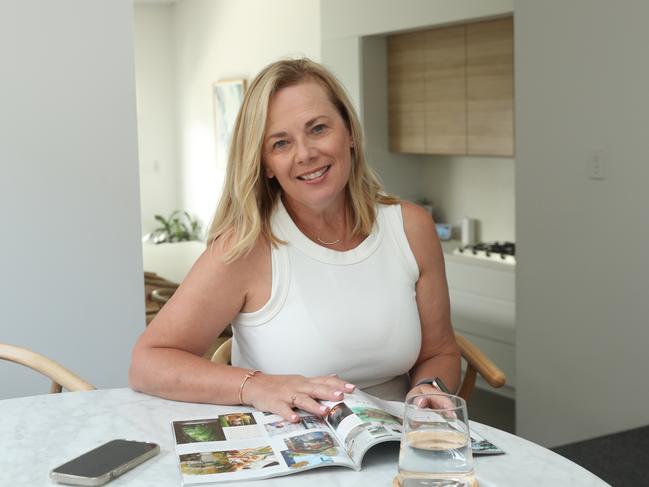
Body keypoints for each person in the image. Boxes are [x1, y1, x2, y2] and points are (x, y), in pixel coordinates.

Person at [129, 58, 460, 422]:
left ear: (349, 131)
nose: (305, 154)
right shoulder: (246, 247)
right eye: (281, 143)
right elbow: (148, 362)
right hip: (289, 450)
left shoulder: (411, 227)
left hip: (396, 447)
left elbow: (440, 351)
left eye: (318, 129)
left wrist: (430, 387)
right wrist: (257, 386)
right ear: (266, 163)